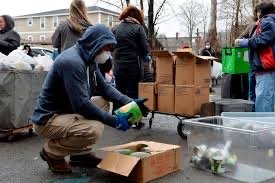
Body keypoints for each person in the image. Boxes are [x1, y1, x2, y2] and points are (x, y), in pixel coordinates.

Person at [31, 24, 149, 173]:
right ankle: (52, 153)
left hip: (66, 111)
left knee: (103, 102)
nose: (108, 54)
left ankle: (80, 154)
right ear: (95, 43)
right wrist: (114, 121)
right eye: (106, 48)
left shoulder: (89, 59)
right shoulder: (72, 62)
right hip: (48, 119)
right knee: (94, 129)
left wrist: (130, 102)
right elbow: (82, 105)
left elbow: (105, 88)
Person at [236, 2, 275, 112]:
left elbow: (264, 39)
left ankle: (262, 126)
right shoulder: (268, 21)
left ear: (260, 12)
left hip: (265, 67)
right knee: (266, 98)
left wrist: (246, 42)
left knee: (264, 100)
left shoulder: (267, 21)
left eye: (257, 11)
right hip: (264, 67)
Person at [112, 6, 151, 100]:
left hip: (118, 68)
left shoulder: (115, 29)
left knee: (119, 94)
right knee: (132, 95)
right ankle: (130, 114)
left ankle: (116, 114)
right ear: (138, 17)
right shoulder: (138, 28)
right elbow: (146, 49)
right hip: (133, 68)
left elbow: (111, 47)